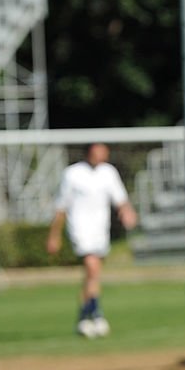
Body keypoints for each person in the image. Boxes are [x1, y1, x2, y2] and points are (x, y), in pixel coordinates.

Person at [46, 142, 137, 338]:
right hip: (79, 228)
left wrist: (127, 212)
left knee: (92, 276)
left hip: (100, 229)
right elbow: (61, 207)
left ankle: (84, 317)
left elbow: (120, 198)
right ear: (89, 152)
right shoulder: (72, 174)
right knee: (92, 267)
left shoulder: (108, 172)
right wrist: (54, 236)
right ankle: (97, 314)